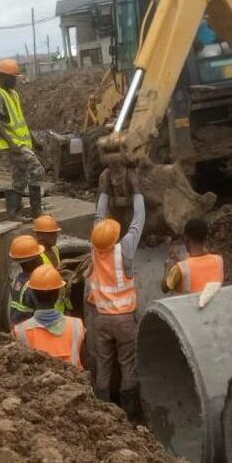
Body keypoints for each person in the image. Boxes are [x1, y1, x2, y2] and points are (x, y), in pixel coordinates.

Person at [87, 168, 145, 418]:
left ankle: (104, 412)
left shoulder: (94, 246)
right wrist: (137, 191)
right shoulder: (125, 251)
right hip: (124, 320)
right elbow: (138, 221)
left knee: (103, 364)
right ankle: (130, 414)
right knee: (128, 365)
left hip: (100, 319)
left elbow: (99, 216)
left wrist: (103, 190)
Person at [0, 58, 45, 220]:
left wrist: (34, 140)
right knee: (36, 169)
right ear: (3, 76)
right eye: (13, 77)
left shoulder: (13, 94)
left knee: (19, 176)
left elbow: (21, 121)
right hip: (14, 144)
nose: (15, 80)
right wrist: (10, 142)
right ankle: (36, 211)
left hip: (22, 142)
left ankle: (14, 212)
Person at [11, 265, 86, 369]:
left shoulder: (20, 331)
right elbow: (86, 360)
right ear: (57, 294)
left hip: (40, 384)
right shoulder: (77, 325)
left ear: (32, 294)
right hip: (74, 382)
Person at [162, 218, 224, 294]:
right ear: (206, 238)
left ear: (186, 239)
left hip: (191, 305)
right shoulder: (218, 261)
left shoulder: (180, 268)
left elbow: (165, 288)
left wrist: (167, 268)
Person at [33, 214, 72, 314]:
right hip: (48, 309)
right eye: (51, 234)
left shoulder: (55, 250)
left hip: (60, 303)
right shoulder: (36, 256)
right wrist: (57, 274)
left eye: (55, 233)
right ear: (39, 235)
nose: (56, 236)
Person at [7, 233, 44, 327]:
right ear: (30, 264)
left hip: (18, 328)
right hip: (30, 330)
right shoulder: (33, 286)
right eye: (39, 257)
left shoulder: (16, 280)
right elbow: (43, 312)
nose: (42, 259)